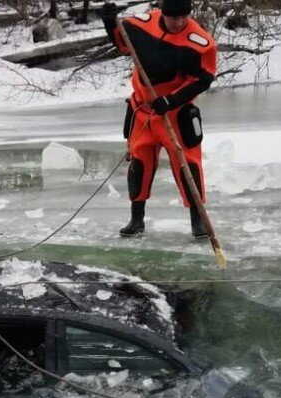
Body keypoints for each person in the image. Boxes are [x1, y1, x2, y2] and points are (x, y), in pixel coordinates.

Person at [101, 0, 217, 238]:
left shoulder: (200, 43)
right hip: (143, 110)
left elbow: (202, 80)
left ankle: (198, 220)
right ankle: (136, 219)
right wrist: (109, 21)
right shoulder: (143, 25)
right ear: (163, 14)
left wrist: (171, 101)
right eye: (174, 18)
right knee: (138, 165)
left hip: (174, 112)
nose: (179, 22)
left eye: (184, 17)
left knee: (188, 166)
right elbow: (122, 40)